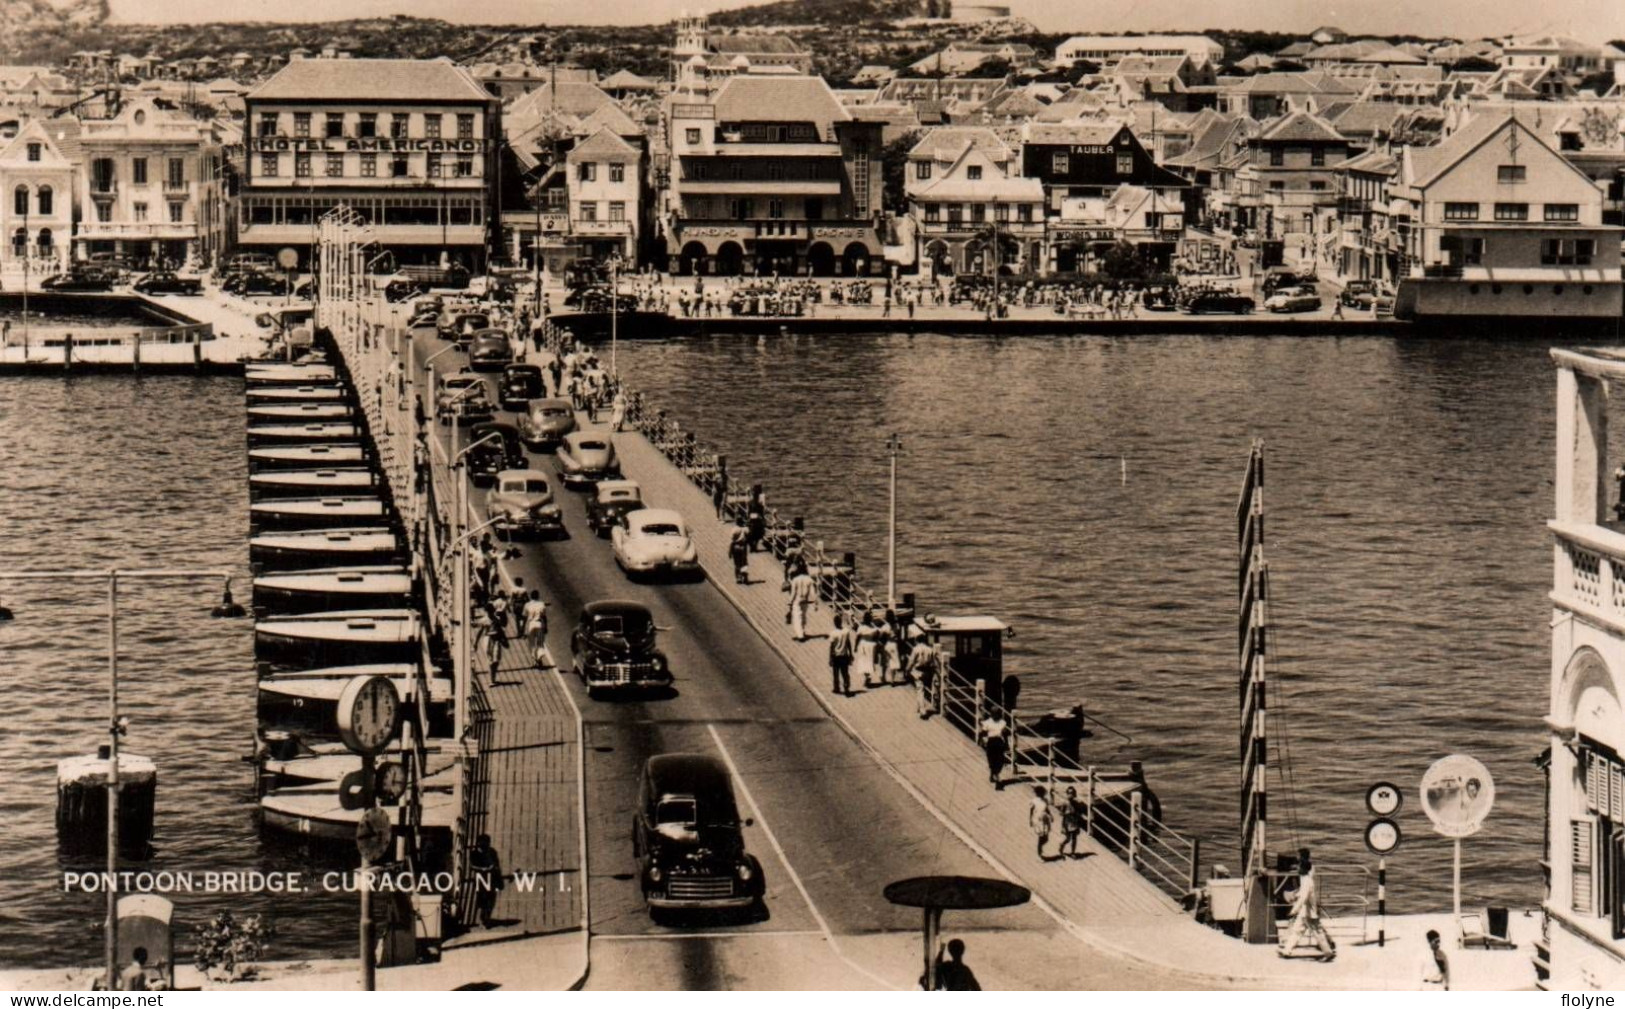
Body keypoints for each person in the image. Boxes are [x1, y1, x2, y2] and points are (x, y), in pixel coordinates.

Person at [1278, 848, 1336, 961]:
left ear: (1304, 869)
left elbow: (1304, 897)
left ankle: (1328, 953)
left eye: (1299, 867)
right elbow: (1303, 893)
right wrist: (1297, 895)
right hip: (1306, 912)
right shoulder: (1306, 879)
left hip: (1309, 912)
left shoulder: (1307, 881)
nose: (1297, 868)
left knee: (1317, 933)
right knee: (1297, 931)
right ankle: (1286, 951)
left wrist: (1294, 910)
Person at [468, 834, 504, 929]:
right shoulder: (474, 853)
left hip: (491, 878)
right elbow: (471, 866)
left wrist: (493, 869)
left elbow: (496, 864)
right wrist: (482, 869)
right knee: (482, 899)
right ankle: (483, 918)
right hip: (480, 878)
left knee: (491, 899)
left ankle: (486, 918)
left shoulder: (492, 852)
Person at [908, 632, 939, 718]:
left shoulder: (916, 649)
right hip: (927, 671)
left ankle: (922, 710)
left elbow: (911, 661)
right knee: (922, 689)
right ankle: (919, 707)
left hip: (918, 671)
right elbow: (933, 662)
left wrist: (907, 670)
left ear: (917, 640)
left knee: (920, 690)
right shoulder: (930, 649)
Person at [786, 566, 817, 641]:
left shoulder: (795, 580)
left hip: (797, 600)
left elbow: (793, 593)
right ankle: (802, 631)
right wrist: (816, 603)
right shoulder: (809, 580)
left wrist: (790, 602)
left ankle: (800, 635)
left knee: (797, 617)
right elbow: (813, 593)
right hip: (805, 601)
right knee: (803, 616)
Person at [828, 612, 855, 696]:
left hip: (836, 656)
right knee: (845, 673)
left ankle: (837, 688)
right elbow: (848, 643)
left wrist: (830, 658)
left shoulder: (833, 633)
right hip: (844, 656)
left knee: (836, 673)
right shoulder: (846, 631)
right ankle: (846, 687)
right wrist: (851, 654)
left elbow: (831, 647)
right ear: (841, 622)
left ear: (835, 623)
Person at [522, 590, 549, 668]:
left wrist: (523, 629)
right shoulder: (541, 604)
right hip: (539, 624)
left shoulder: (527, 605)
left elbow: (524, 617)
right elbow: (544, 617)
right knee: (540, 643)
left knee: (532, 643)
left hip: (531, 624)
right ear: (538, 596)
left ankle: (534, 660)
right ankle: (539, 658)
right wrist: (546, 627)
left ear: (531, 596)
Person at [982, 710, 1009, 789]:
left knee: (1000, 760)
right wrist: (983, 742)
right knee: (992, 760)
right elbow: (983, 733)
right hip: (991, 742)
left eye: (997, 714)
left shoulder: (1002, 723)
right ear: (991, 714)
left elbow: (1005, 734)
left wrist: (1006, 743)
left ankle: (995, 774)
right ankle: (996, 779)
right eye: (993, 714)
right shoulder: (987, 722)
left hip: (999, 741)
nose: (995, 716)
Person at [854, 611, 879, 689]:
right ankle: (868, 675)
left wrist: (855, 646)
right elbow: (876, 637)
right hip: (871, 645)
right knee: (869, 660)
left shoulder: (861, 628)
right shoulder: (874, 628)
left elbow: (857, 638)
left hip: (863, 645)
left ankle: (866, 676)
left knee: (863, 660)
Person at [1059, 785, 1084, 858]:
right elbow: (1061, 813)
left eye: (1072, 793)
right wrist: (1066, 814)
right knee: (1067, 838)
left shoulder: (1076, 803)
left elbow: (1080, 813)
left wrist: (1078, 818)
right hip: (1067, 822)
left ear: (1074, 794)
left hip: (1075, 822)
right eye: (1069, 793)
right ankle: (1061, 845)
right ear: (1067, 794)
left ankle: (1073, 852)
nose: (1071, 795)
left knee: (1074, 838)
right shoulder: (1065, 803)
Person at [1029, 785, 1054, 859]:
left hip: (1045, 819)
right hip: (1038, 820)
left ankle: (1040, 848)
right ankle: (1039, 853)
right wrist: (1030, 820)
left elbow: (1047, 809)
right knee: (1041, 837)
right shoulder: (1034, 801)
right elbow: (1031, 811)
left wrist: (1051, 816)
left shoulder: (1045, 800)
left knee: (1046, 838)